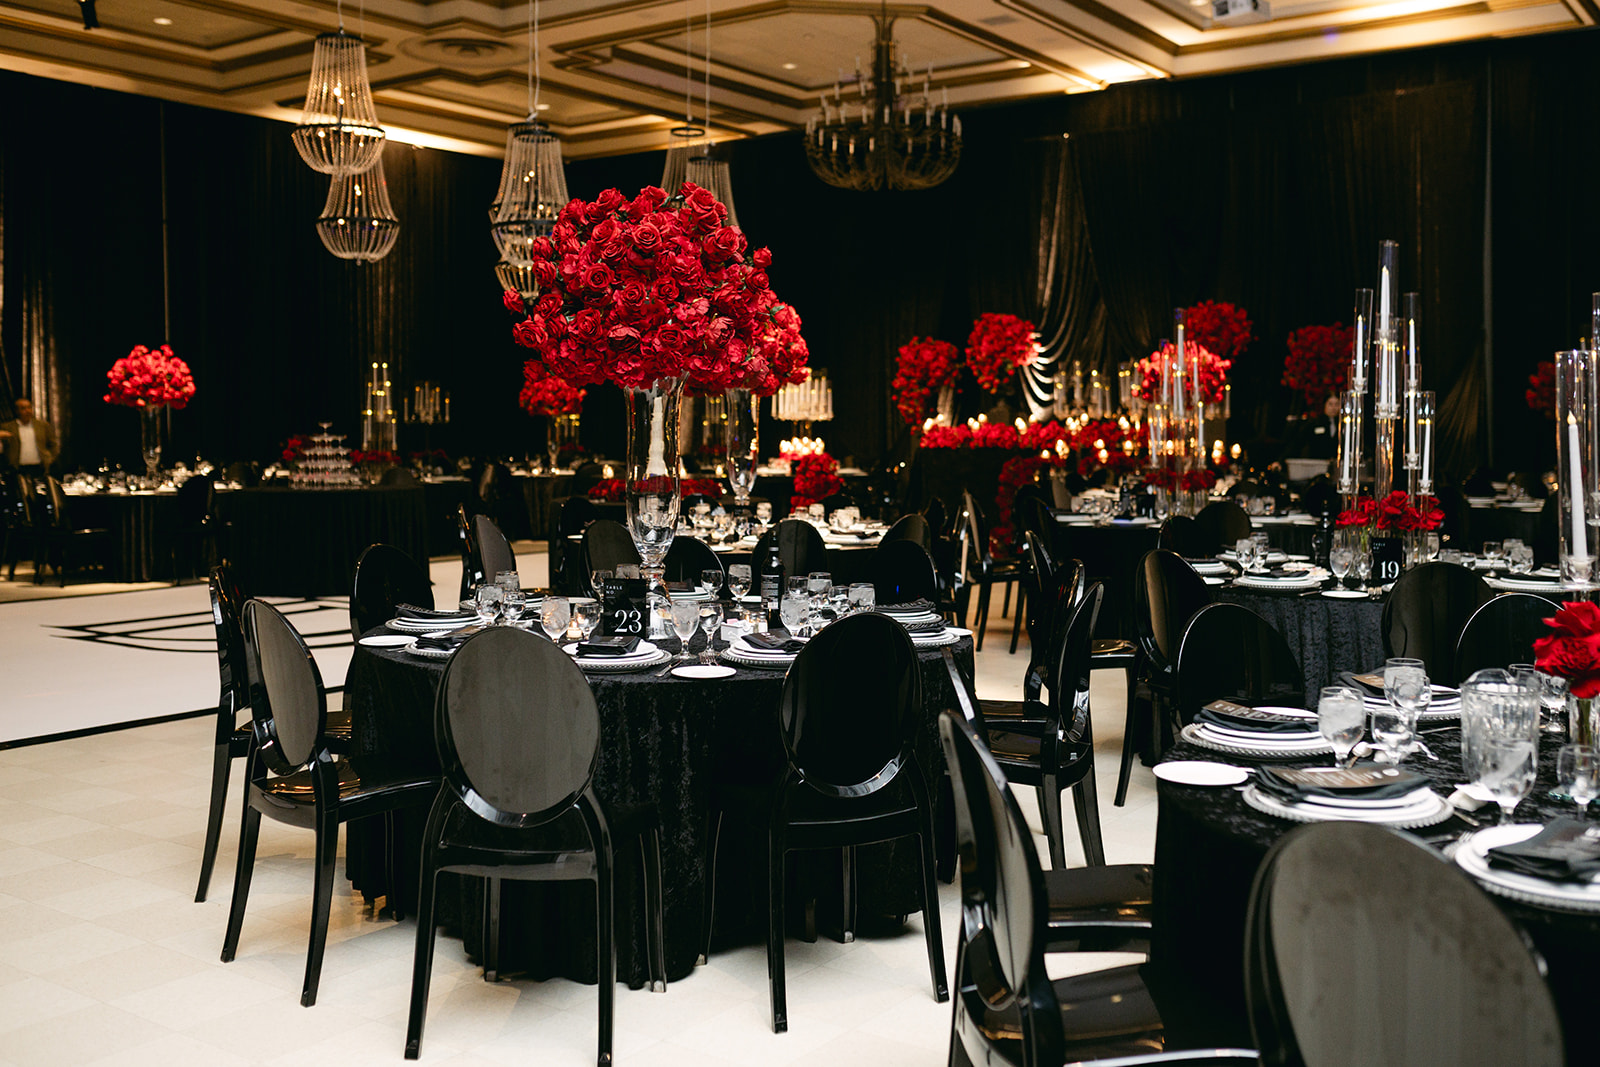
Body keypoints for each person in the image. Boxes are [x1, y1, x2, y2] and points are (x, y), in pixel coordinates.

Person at [0, 397, 58, 478]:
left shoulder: (42, 425)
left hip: (39, 467)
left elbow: (53, 444)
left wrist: (50, 459)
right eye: (23, 408)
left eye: (29, 407)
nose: (27, 411)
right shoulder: (7, 427)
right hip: (16, 468)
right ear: (17, 411)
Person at [1287, 393, 1339, 460]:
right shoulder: (1315, 423)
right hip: (1317, 462)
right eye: (1330, 404)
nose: (1333, 408)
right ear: (1324, 405)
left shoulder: (1343, 424)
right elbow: (1298, 442)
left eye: (1336, 404)